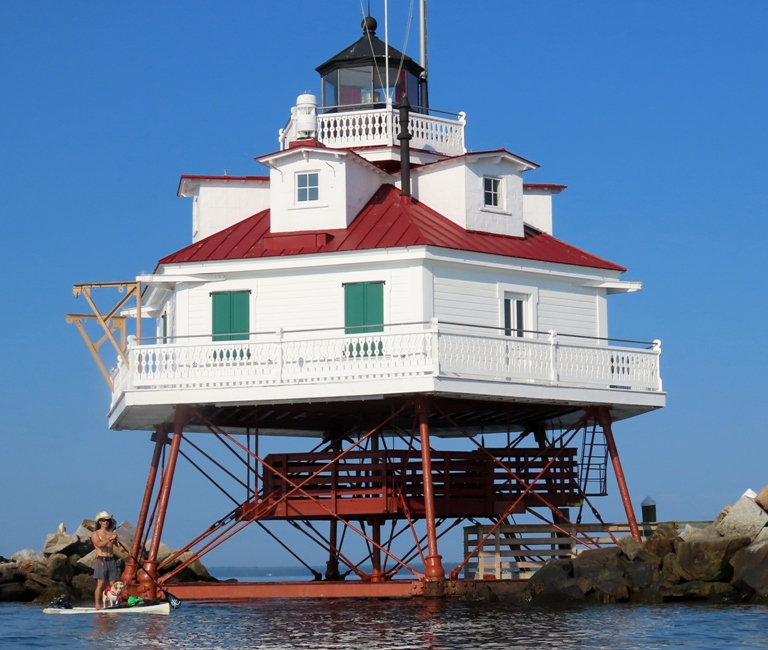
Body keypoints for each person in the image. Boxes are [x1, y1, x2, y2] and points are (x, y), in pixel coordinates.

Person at [91, 511, 130, 609]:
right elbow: (99, 544)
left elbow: (119, 547)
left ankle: (115, 603)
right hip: (101, 560)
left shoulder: (112, 533)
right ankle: (97, 604)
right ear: (100, 522)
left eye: (107, 521)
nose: (106, 522)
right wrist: (109, 539)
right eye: (104, 521)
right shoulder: (95, 534)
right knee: (101, 583)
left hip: (111, 560)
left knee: (114, 583)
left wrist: (128, 552)